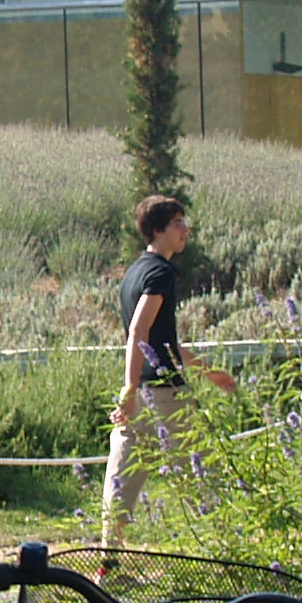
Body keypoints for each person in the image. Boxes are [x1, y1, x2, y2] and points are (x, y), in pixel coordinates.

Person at [100, 194, 235, 549]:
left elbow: (163, 342)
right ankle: (223, 551)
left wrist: (208, 371)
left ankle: (107, 562)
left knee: (123, 478)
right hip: (162, 392)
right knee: (200, 470)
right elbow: (139, 331)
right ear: (158, 231)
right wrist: (129, 390)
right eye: (177, 224)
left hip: (144, 390)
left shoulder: (135, 271)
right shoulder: (160, 273)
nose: (185, 230)